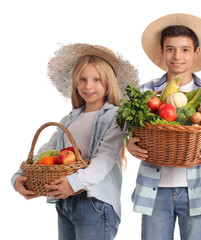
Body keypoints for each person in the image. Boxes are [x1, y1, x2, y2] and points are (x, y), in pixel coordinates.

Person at [11, 43, 139, 240]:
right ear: (76, 83)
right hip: (65, 201)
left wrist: (75, 182)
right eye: (83, 79)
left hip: (94, 203)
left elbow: (105, 158)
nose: (88, 86)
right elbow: (48, 151)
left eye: (96, 80)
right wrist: (20, 176)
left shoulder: (115, 116)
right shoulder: (70, 119)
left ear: (108, 83)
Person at [127, 13, 201, 240]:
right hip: (154, 190)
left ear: (196, 52)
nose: (177, 56)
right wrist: (129, 145)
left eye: (185, 49)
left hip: (197, 190)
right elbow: (128, 133)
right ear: (162, 51)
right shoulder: (146, 92)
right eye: (170, 49)